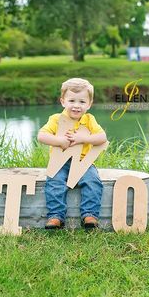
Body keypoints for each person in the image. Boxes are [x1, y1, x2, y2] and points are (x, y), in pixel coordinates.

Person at [37, 78, 108, 229]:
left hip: (83, 163)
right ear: (63, 101)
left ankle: (89, 215)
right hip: (60, 162)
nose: (76, 106)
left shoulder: (89, 120)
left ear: (89, 104)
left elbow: (102, 138)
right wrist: (60, 141)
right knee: (54, 182)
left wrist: (85, 138)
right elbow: (41, 136)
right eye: (72, 101)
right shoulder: (56, 119)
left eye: (82, 102)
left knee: (92, 181)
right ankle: (56, 216)